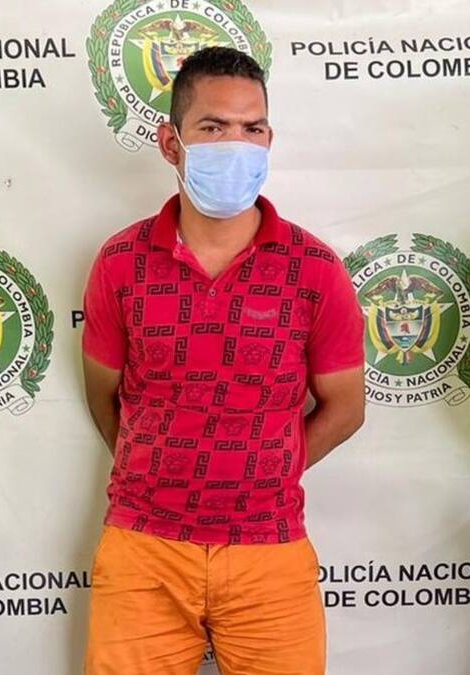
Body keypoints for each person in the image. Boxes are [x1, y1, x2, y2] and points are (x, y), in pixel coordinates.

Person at [80, 46, 366, 675]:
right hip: (143, 548)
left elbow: (346, 408)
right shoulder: (121, 262)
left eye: (252, 128)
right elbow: (103, 394)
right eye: (213, 127)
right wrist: (160, 466)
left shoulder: (314, 269)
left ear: (269, 140)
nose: (236, 144)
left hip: (270, 550)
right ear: (171, 143)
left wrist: (265, 468)